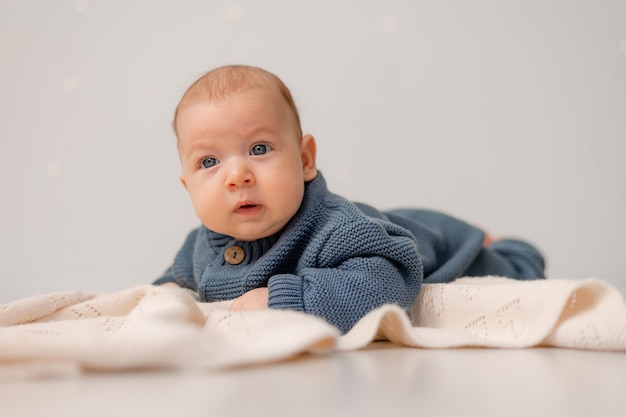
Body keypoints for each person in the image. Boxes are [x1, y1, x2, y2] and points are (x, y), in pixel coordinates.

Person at [154, 65, 545, 333]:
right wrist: (167, 292)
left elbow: (384, 282)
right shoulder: (200, 246)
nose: (237, 175)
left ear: (305, 160)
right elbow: (178, 280)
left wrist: (289, 300)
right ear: (188, 187)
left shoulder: (336, 229)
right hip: (384, 221)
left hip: (437, 245)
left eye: (259, 149)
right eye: (209, 161)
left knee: (513, 272)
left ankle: (507, 245)